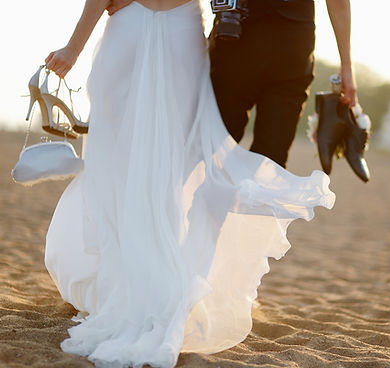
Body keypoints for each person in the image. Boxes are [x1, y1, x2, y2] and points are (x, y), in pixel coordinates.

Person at [43, 0, 335, 367]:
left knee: (136, 159)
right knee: (163, 164)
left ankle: (141, 275)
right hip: (177, 26)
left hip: (153, 24)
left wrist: (74, 47)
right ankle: (170, 275)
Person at [107, 0, 359, 168]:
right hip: (277, 48)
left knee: (209, 156)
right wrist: (346, 65)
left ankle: (200, 239)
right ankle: (221, 241)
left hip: (247, 45)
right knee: (266, 163)